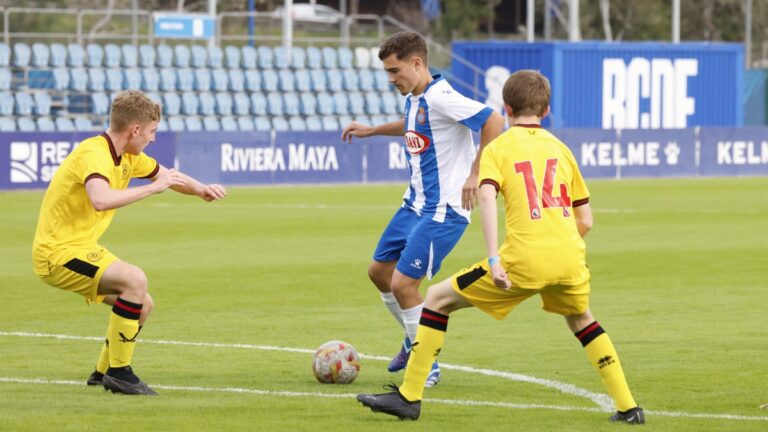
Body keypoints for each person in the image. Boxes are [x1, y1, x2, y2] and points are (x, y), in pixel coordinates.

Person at [357, 70, 645, 425]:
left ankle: (409, 397)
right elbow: (585, 220)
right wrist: (559, 247)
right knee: (582, 320)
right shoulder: (562, 149)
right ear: (547, 110)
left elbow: (487, 198)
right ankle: (629, 407)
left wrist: (494, 258)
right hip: (570, 258)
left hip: (521, 260)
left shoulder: (499, 148)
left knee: (435, 299)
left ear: (506, 107)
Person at [31, 90, 227, 396]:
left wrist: (201, 189)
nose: (152, 139)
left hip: (80, 248)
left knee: (143, 304)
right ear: (135, 130)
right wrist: (152, 190)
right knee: (135, 280)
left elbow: (169, 176)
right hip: (57, 253)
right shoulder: (93, 153)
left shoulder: (128, 156)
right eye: (151, 132)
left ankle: (103, 372)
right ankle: (121, 374)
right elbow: (100, 199)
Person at [341, 31, 504, 387]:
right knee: (379, 272)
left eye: (395, 70)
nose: (391, 78)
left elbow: (494, 121)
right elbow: (413, 126)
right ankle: (412, 339)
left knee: (403, 284)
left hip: (443, 210)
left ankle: (425, 362)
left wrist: (476, 173)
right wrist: (371, 131)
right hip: (414, 204)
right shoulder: (416, 96)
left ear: (417, 63)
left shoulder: (443, 97)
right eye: (387, 71)